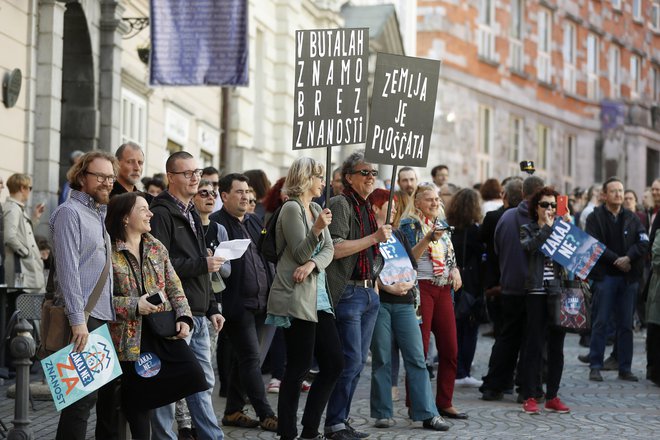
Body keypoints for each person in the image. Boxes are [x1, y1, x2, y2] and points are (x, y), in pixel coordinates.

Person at [106, 192, 208, 439]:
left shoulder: (155, 246)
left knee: (193, 374)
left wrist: (184, 317)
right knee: (138, 404)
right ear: (124, 218)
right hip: (128, 340)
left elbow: (174, 286)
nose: (150, 213)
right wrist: (134, 305)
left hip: (161, 330)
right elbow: (100, 301)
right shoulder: (108, 251)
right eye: (143, 209)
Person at [149, 151, 226, 440]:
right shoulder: (161, 214)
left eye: (197, 172)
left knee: (202, 382)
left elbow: (202, 265)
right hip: (173, 314)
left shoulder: (191, 211)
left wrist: (213, 305)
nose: (195, 178)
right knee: (169, 386)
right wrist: (200, 264)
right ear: (171, 177)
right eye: (188, 173)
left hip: (199, 311)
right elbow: (158, 268)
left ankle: (211, 436)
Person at [265, 157, 344, 440]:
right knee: (297, 368)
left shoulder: (313, 208)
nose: (323, 182)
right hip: (298, 297)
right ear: (306, 179)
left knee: (334, 363)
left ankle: (310, 430)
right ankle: (289, 432)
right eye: (319, 176)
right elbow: (299, 252)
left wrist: (313, 265)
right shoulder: (291, 208)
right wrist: (317, 230)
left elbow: (328, 251)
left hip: (319, 296)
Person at [367, 188, 450, 432]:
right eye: (388, 205)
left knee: (417, 358)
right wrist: (385, 287)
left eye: (394, 205)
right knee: (382, 358)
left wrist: (426, 241)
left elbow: (412, 261)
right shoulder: (369, 235)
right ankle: (382, 412)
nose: (394, 209)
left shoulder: (399, 234)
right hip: (381, 303)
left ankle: (427, 413)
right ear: (375, 208)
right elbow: (366, 268)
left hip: (404, 303)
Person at [49, 150, 118, 439]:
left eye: (111, 177)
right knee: (79, 401)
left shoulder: (96, 213)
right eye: (100, 176)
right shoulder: (69, 212)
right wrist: (78, 320)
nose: (107, 182)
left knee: (96, 399)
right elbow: (67, 271)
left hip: (99, 318)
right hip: (82, 320)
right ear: (81, 177)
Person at [324, 151, 391, 440]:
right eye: (365, 172)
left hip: (368, 293)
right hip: (348, 293)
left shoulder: (366, 206)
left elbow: (369, 251)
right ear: (349, 177)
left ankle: (343, 419)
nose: (371, 177)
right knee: (349, 361)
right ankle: (334, 423)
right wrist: (375, 237)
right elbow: (336, 248)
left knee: (358, 363)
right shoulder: (340, 204)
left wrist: (374, 283)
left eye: (373, 173)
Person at [210, 173, 279, 433]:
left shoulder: (254, 221)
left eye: (247, 191)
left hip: (261, 301)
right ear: (224, 196)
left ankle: (233, 411)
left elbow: (265, 257)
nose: (245, 196)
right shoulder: (216, 224)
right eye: (238, 192)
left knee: (246, 360)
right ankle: (267, 414)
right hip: (236, 304)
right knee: (251, 357)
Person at [399, 183, 466, 420]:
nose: (435, 203)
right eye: (429, 199)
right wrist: (428, 238)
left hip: (443, 289)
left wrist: (455, 270)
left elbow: (450, 256)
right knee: (420, 349)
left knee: (450, 348)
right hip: (421, 288)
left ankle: (445, 402)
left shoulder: (443, 225)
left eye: (437, 199)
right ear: (416, 203)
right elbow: (407, 258)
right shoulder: (408, 225)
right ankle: (415, 403)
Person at [479, 175, 545, 402]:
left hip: (509, 285)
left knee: (507, 337)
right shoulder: (542, 218)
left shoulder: (506, 217)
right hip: (534, 289)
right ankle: (527, 389)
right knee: (531, 340)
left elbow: (497, 249)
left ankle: (494, 385)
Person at [586, 177, 649, 382]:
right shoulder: (594, 218)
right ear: (604, 195)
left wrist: (628, 257)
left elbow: (643, 242)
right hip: (605, 277)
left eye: (621, 191)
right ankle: (595, 365)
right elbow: (593, 244)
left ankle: (625, 367)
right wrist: (616, 260)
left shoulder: (632, 217)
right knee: (601, 322)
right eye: (614, 191)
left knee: (625, 325)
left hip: (628, 279)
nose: (619, 195)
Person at [518, 187, 570, 414]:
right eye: (544, 205)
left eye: (552, 205)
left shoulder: (562, 227)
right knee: (535, 344)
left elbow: (572, 255)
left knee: (557, 346)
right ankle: (530, 394)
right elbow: (529, 248)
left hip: (558, 291)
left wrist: (568, 227)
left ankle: (553, 395)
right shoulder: (527, 229)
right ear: (535, 208)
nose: (549, 209)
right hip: (536, 291)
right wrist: (547, 228)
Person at [446, 188, 484, 388]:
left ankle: (453, 370)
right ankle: (463, 371)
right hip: (471, 285)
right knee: (469, 330)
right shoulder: (476, 231)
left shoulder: (448, 228)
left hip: (451, 284)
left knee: (453, 331)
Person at [3, 173, 45, 290]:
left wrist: (35, 218)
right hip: (21, 268)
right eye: (29, 188)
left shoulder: (16, 207)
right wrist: (26, 253)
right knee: (23, 303)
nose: (29, 192)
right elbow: (9, 236)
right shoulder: (13, 208)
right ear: (22, 188)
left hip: (24, 268)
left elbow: (24, 234)